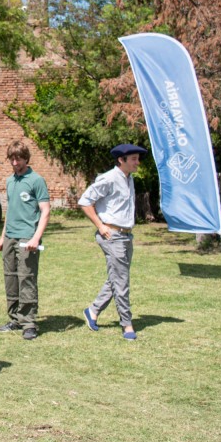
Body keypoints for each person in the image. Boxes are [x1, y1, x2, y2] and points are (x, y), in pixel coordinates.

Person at [79, 143, 147, 341]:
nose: (137, 162)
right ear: (121, 160)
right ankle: (127, 324)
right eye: (133, 159)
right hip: (111, 236)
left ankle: (92, 311)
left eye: (137, 158)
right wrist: (100, 226)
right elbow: (85, 201)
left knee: (116, 278)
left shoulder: (129, 178)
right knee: (122, 281)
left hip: (126, 236)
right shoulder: (108, 178)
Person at [0, 140, 50, 340]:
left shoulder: (36, 180)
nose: (15, 162)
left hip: (28, 237)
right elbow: (10, 211)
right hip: (10, 236)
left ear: (26, 158)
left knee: (26, 277)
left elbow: (45, 211)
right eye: (12, 158)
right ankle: (15, 319)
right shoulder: (10, 181)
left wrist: (36, 237)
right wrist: (3, 237)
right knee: (10, 277)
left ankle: (29, 323)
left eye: (19, 158)